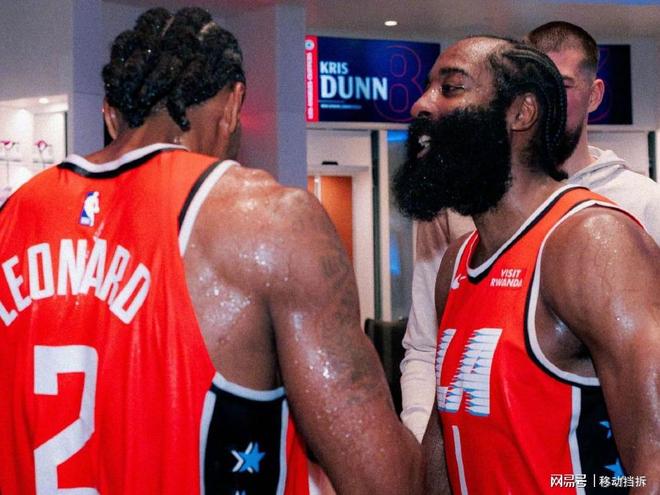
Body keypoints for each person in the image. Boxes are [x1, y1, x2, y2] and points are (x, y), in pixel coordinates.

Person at [0, 8, 421, 495]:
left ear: (110, 115)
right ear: (233, 103)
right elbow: (382, 481)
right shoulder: (269, 221)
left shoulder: (13, 216)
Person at [393, 35, 659, 493]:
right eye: (427, 87)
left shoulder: (589, 241)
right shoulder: (457, 262)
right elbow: (446, 436)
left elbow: (654, 460)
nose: (422, 104)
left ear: (521, 113)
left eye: (451, 88)